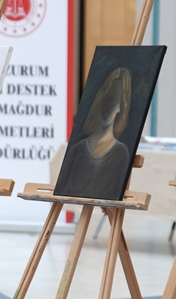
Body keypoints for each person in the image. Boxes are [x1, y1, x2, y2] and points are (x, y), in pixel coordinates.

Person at [55, 67, 132, 200]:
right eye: (106, 99)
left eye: (114, 101)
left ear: (121, 107)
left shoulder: (120, 153)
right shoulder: (77, 150)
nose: (107, 107)